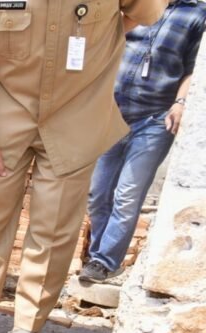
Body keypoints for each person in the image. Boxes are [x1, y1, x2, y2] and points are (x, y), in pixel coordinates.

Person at [0, 0, 167, 333]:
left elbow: (141, 13)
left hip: (78, 112)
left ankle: (27, 326)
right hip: (6, 110)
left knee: (54, 224)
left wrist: (97, 42)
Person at [81, 0, 205, 283]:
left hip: (155, 120)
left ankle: (103, 262)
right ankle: (101, 255)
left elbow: (192, 67)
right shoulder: (133, 5)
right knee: (97, 193)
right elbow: (104, 45)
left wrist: (181, 102)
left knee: (127, 195)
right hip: (112, 113)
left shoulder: (195, 15)